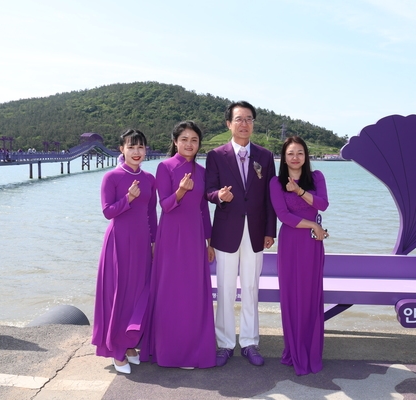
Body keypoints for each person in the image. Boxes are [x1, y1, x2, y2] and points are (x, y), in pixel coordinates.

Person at [205, 101, 277, 367]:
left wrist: (271, 231)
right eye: (239, 119)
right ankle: (224, 344)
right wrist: (219, 196)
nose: (244, 123)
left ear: (253, 124)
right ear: (229, 124)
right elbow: (208, 190)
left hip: (256, 232)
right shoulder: (216, 155)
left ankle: (250, 342)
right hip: (225, 231)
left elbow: (271, 197)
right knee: (224, 289)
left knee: (250, 288)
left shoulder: (266, 156)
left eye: (248, 119)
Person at [141, 121, 217, 369]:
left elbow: (204, 209)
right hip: (172, 237)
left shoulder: (203, 172)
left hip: (195, 237)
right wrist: (181, 191)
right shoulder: (165, 167)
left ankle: (194, 350)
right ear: (175, 141)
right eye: (184, 139)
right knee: (171, 292)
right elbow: (165, 205)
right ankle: (170, 352)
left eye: (194, 140)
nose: (189, 144)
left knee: (194, 292)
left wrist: (209, 241)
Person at [92, 129, 157, 375]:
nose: (137, 152)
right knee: (119, 294)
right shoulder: (111, 177)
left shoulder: (150, 179)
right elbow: (108, 212)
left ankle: (130, 345)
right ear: (122, 149)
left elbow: (152, 214)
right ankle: (117, 351)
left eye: (141, 147)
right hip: (118, 242)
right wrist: (128, 199)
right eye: (131, 147)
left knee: (140, 292)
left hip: (142, 242)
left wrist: (155, 241)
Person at [269, 136, 329, 375]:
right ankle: (293, 348)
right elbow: (283, 216)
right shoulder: (276, 182)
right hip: (292, 242)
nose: (295, 157)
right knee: (293, 295)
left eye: (300, 153)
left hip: (312, 245)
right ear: (284, 157)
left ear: (306, 156)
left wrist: (300, 191)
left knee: (311, 294)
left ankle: (311, 348)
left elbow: (323, 204)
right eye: (291, 153)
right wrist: (313, 226)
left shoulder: (316, 177)